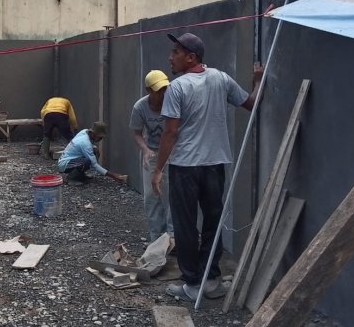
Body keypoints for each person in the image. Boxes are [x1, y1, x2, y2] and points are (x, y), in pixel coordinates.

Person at [152, 32, 262, 302]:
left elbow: (170, 133)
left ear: (191, 57)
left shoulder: (177, 87)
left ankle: (192, 283)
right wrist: (258, 80)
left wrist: (157, 169)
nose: (170, 57)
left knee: (186, 225)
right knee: (213, 222)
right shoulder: (221, 78)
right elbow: (253, 103)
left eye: (176, 52)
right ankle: (211, 279)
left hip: (185, 166)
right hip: (215, 164)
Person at [130, 69, 174, 244]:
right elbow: (137, 133)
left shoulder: (173, 103)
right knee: (151, 196)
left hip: (174, 153)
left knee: (174, 195)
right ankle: (157, 238)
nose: (163, 93)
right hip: (153, 153)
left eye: (165, 89)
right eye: (159, 90)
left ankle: (173, 237)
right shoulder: (140, 107)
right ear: (149, 90)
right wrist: (145, 149)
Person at [57, 121, 127, 186]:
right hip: (64, 164)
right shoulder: (85, 143)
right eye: (100, 137)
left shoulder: (85, 131)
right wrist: (113, 175)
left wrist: (94, 147)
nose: (100, 140)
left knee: (88, 159)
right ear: (93, 134)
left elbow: (86, 146)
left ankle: (80, 175)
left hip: (68, 160)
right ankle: (70, 178)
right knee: (86, 161)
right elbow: (94, 165)